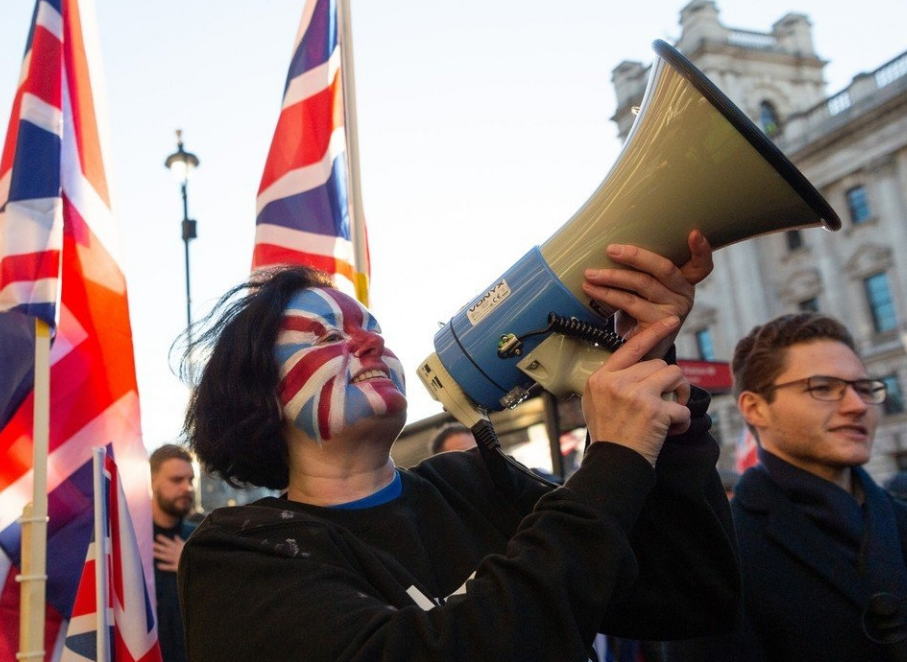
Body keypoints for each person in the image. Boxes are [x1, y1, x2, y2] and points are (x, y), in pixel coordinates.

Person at [178, 235, 740, 660]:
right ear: (258, 395)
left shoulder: (472, 482)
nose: (371, 341)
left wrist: (649, 387)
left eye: (372, 328)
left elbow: (688, 594)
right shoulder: (239, 554)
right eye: (326, 336)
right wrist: (613, 463)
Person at [711, 312, 907, 661]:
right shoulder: (719, 555)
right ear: (755, 408)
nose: (857, 406)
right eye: (823, 388)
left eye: (864, 388)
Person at [151, 444, 197, 662]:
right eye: (176, 480)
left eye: (190, 480)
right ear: (153, 482)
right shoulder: (133, 540)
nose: (187, 488)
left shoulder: (199, 539)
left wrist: (190, 563)